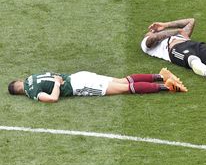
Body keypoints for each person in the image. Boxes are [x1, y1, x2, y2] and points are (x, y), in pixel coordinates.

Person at [8, 68, 187, 103]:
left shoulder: (31, 92)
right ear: (19, 82)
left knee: (124, 89)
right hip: (80, 75)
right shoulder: (31, 77)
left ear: (19, 92)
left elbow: (53, 98)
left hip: (80, 86)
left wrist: (56, 84)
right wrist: (57, 78)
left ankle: (168, 87)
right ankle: (160, 75)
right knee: (122, 81)